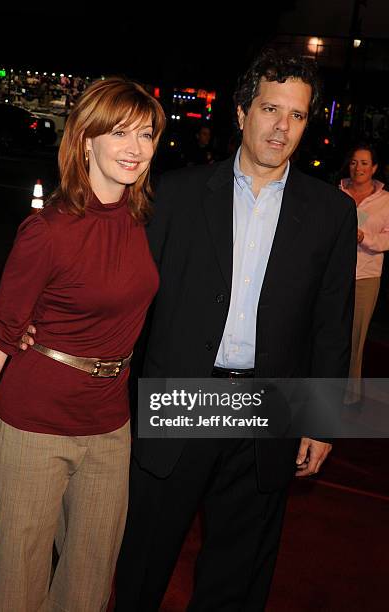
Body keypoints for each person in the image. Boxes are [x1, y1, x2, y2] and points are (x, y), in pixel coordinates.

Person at [112, 50, 357, 611]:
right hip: (178, 396)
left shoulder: (331, 214)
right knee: (143, 560)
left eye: (296, 115)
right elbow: (133, 303)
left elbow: (331, 325)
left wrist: (320, 420)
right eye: (271, 109)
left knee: (237, 574)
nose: (281, 126)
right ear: (242, 113)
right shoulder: (172, 195)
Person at [0, 77, 166, 612]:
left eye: (148, 134)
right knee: (15, 578)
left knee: (90, 580)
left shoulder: (145, 221)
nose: (136, 148)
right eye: (121, 134)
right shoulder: (47, 230)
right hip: (33, 425)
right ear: (87, 139)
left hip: (111, 427)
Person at [340, 144, 389, 400]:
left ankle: (350, 394)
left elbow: (387, 240)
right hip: (334, 275)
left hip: (365, 277)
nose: (358, 168)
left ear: (375, 168)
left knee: (356, 337)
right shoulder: (338, 192)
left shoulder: (385, 201)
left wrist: (364, 238)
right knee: (330, 333)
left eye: (364, 163)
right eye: (354, 162)